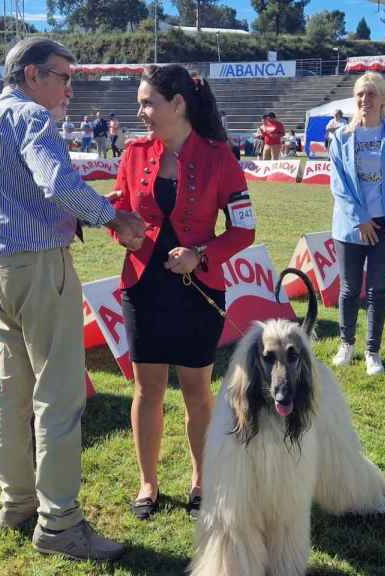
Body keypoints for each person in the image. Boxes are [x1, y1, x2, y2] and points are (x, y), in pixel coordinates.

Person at [0, 37, 144, 561]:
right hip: (39, 266)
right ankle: (60, 522)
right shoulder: (31, 119)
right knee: (59, 397)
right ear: (32, 75)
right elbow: (55, 181)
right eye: (63, 76)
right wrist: (113, 218)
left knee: (10, 389)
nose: (70, 86)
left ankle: (16, 503)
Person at [111, 64, 254, 522]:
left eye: (148, 102)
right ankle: (147, 483)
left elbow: (244, 229)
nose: (141, 112)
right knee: (146, 389)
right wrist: (124, 234)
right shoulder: (133, 153)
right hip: (143, 288)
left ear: (178, 104)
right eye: (139, 103)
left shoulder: (219, 156)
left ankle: (201, 479)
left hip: (199, 291)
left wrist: (201, 253)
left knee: (197, 391)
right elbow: (118, 210)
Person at [328, 71, 385, 376]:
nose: (365, 100)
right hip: (351, 226)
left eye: (371, 94)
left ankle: (372, 351)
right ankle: (346, 344)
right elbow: (339, 185)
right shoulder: (341, 137)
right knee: (350, 289)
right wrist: (360, 218)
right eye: (360, 95)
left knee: (378, 290)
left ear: (383, 99)